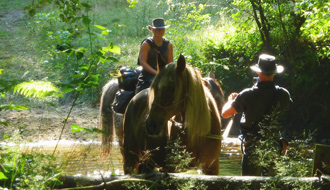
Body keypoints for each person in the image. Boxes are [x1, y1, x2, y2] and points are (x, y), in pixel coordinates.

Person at [221, 54, 293, 176]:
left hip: (252, 147)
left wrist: (230, 101)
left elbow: (225, 114)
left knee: (250, 185)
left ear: (258, 73)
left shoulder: (247, 94)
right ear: (274, 73)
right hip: (274, 147)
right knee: (270, 186)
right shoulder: (284, 94)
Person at [135, 18, 173, 94]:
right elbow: (143, 62)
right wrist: (156, 73)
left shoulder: (168, 45)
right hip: (147, 77)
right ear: (152, 30)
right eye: (157, 29)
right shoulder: (146, 44)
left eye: (162, 29)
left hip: (164, 77)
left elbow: (170, 63)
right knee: (141, 96)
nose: (160, 31)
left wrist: (166, 75)